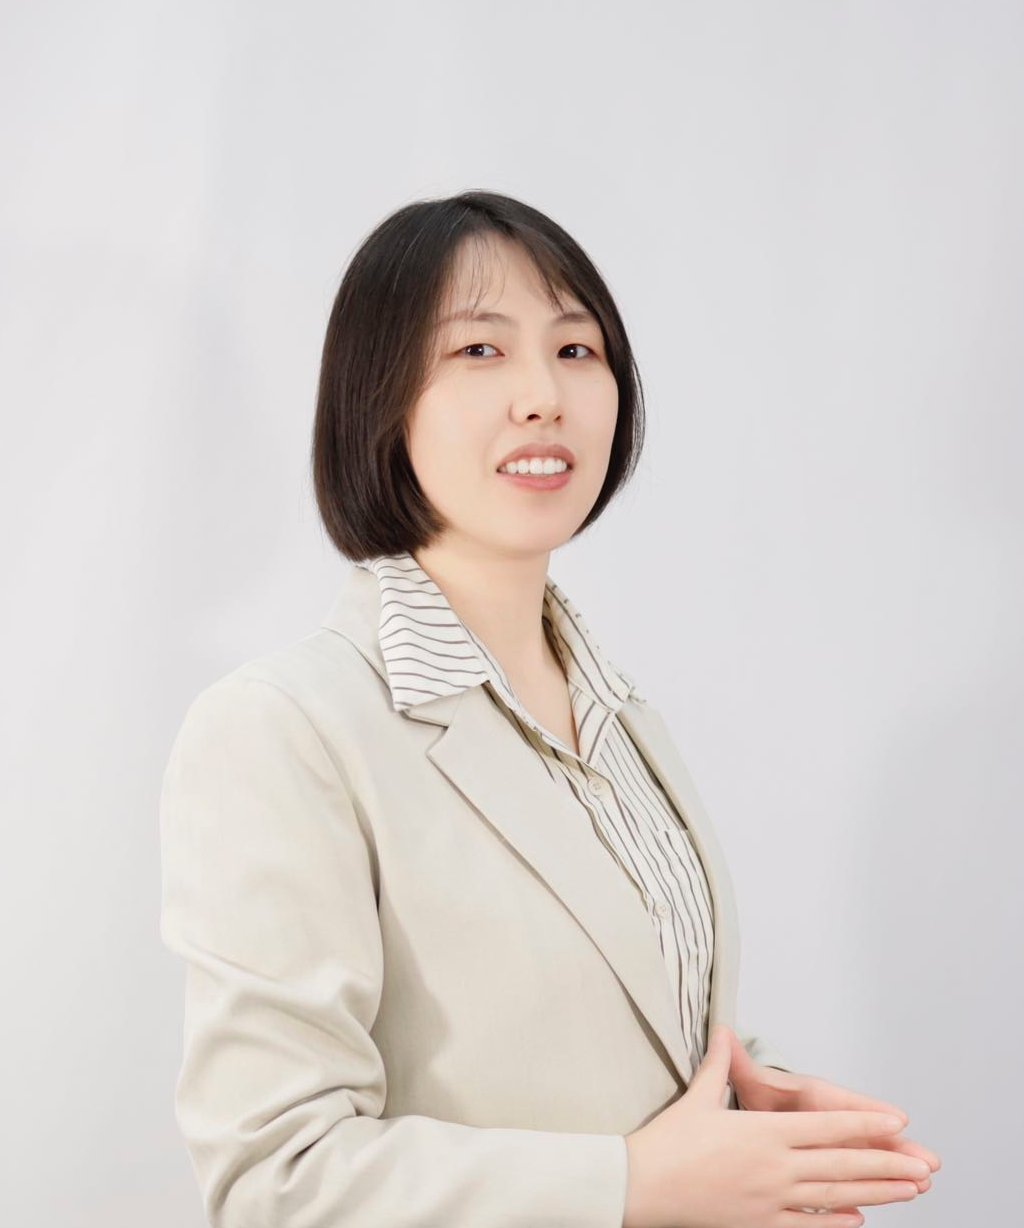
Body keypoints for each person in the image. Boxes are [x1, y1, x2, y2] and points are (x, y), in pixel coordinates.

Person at [159, 189, 940, 1228]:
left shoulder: (615, 713)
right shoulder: (285, 729)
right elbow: (277, 1182)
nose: (543, 395)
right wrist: (639, 1184)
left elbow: (598, 1031)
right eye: (479, 351)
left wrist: (753, 1111)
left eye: (576, 350)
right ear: (378, 399)